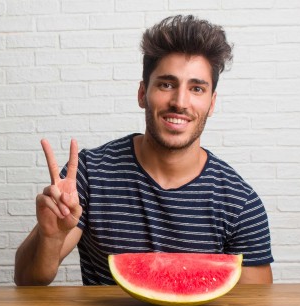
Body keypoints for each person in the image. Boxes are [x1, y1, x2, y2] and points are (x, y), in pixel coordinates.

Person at [14, 15, 274, 286]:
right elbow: (27, 280)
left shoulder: (240, 203)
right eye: (166, 84)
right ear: (142, 94)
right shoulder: (89, 175)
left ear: (211, 103)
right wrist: (50, 238)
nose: (180, 102)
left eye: (197, 88)